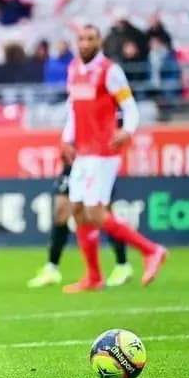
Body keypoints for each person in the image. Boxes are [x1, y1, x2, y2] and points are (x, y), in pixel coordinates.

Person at [60, 25, 167, 293]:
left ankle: (151, 250)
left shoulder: (110, 70)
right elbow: (73, 109)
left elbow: (129, 106)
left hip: (103, 151)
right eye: (81, 39)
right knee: (78, 211)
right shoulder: (74, 68)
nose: (85, 43)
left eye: (90, 39)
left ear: (100, 41)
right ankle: (94, 277)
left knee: (95, 213)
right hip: (83, 151)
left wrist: (127, 131)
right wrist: (66, 138)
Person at [27, 162, 132, 289]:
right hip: (72, 168)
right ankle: (52, 268)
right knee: (61, 212)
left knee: (102, 214)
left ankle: (122, 265)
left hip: (94, 164)